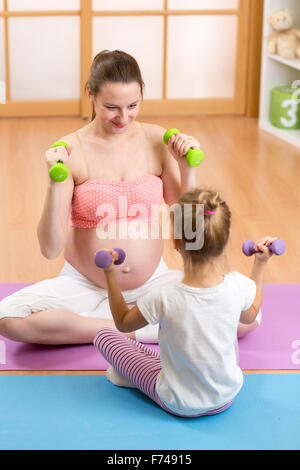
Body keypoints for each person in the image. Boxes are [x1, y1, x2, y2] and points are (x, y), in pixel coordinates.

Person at [0, 50, 200, 345]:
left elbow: (192, 233)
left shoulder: (157, 140)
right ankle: (129, 327)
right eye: (111, 107)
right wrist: (54, 183)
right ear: (90, 94)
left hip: (153, 283)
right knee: (9, 318)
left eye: (133, 105)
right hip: (84, 285)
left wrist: (186, 168)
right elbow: (49, 249)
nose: (123, 118)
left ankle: (110, 326)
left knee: (245, 315)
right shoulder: (71, 149)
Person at [93, 188, 276, 417]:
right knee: (164, 356)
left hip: (178, 402)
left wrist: (109, 273)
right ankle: (141, 373)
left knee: (104, 337)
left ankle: (129, 376)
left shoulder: (163, 296)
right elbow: (251, 315)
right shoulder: (237, 285)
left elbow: (121, 322)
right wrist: (260, 264)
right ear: (226, 239)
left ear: (176, 242)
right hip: (226, 396)